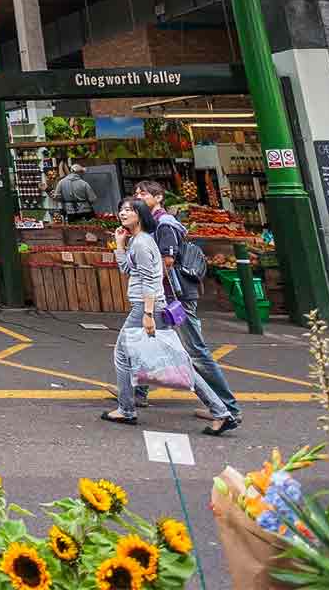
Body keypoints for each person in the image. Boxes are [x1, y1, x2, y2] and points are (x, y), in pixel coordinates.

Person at [101, 197, 237, 436]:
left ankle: (126, 408)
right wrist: (120, 245)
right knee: (178, 362)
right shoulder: (137, 241)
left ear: (140, 214)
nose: (122, 214)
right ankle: (220, 411)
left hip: (146, 307)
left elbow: (151, 281)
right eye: (121, 209)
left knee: (122, 355)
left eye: (129, 210)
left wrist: (147, 314)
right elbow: (127, 271)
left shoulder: (143, 243)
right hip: (149, 306)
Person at [136, 180, 240, 426]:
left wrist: (147, 286)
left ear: (159, 197)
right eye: (136, 193)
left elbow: (167, 261)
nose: (137, 197)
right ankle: (136, 393)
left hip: (176, 298)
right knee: (148, 341)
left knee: (196, 353)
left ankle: (228, 407)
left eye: (143, 193)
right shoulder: (151, 225)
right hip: (168, 297)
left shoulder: (164, 225)